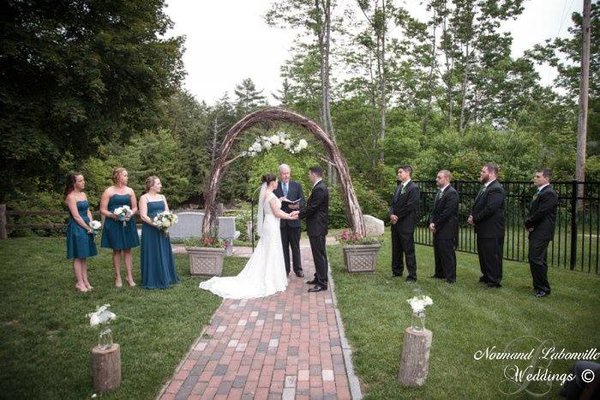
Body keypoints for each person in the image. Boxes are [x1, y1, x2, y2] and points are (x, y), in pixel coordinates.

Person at [199, 173, 297, 299]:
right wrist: (290, 216)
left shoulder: (268, 194)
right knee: (271, 250)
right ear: (272, 182)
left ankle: (270, 276)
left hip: (270, 224)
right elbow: (277, 213)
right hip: (272, 225)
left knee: (268, 250)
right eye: (276, 181)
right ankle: (270, 279)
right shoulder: (271, 196)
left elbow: (275, 210)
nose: (277, 183)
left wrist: (283, 205)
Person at [100, 167, 140, 287]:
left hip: (128, 222)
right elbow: (102, 209)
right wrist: (113, 215)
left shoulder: (130, 191)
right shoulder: (108, 191)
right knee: (116, 250)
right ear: (118, 176)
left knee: (128, 249)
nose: (127, 177)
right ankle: (117, 276)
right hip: (114, 223)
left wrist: (130, 214)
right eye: (125, 175)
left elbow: (135, 207)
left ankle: (129, 275)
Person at [468, 163, 505, 288]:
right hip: (483, 228)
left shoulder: (496, 188)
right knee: (484, 254)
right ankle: (487, 275)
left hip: (492, 229)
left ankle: (494, 280)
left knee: (492, 254)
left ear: (492, 173)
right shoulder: (485, 187)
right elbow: (479, 204)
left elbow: (490, 208)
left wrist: (475, 219)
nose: (481, 174)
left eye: (483, 172)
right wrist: (472, 215)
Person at [139, 176, 179, 289]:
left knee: (164, 251)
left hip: (163, 229)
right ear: (151, 186)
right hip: (150, 230)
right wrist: (156, 224)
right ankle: (153, 278)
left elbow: (166, 211)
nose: (160, 185)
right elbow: (143, 215)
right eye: (158, 184)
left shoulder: (162, 197)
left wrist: (167, 221)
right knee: (152, 252)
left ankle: (166, 276)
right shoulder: (144, 198)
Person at [524, 168, 558, 298]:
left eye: (538, 176)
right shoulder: (540, 192)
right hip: (537, 230)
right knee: (538, 259)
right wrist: (530, 223)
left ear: (546, 178)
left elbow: (541, 213)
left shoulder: (549, 193)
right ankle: (539, 285)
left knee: (536, 258)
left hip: (542, 231)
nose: (535, 178)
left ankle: (543, 288)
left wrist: (528, 223)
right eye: (535, 176)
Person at [65, 172, 97, 293]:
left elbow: (88, 210)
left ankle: (85, 280)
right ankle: (79, 282)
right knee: (78, 256)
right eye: (80, 181)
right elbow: (76, 216)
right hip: (77, 228)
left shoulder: (84, 194)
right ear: (74, 183)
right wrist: (87, 228)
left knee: (84, 255)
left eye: (83, 180)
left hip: (87, 225)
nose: (83, 182)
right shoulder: (70, 197)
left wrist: (92, 223)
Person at [299, 166, 330, 292]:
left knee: (319, 255)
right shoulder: (319, 187)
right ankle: (319, 277)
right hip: (316, 226)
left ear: (314, 174)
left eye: (309, 174)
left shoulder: (320, 189)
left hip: (317, 226)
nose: (308, 176)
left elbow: (313, 208)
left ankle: (322, 283)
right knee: (319, 253)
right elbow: (312, 206)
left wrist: (298, 214)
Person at [273, 163, 305, 277]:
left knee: (295, 247)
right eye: (283, 174)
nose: (286, 176)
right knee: (283, 247)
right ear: (280, 174)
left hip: (294, 221)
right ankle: (285, 270)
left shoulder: (296, 185)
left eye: (287, 173)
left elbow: (303, 202)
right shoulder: (275, 187)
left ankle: (298, 269)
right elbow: (272, 203)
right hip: (281, 223)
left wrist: (296, 206)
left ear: (290, 173)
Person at [389, 165, 420, 282]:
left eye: (400, 172)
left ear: (408, 173)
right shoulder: (398, 187)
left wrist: (397, 216)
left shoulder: (414, 188)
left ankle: (412, 275)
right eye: (398, 172)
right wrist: (391, 214)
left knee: (408, 250)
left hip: (406, 224)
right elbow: (392, 204)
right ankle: (397, 271)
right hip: (395, 224)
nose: (398, 174)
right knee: (396, 249)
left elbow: (410, 206)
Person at [428, 170, 459, 283]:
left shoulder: (452, 193)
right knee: (438, 251)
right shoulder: (439, 192)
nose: (436, 179)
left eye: (439, 177)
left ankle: (450, 277)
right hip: (438, 228)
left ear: (447, 178)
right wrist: (431, 222)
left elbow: (447, 213)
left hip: (447, 229)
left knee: (447, 253)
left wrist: (436, 224)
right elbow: (434, 211)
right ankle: (439, 273)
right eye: (437, 177)